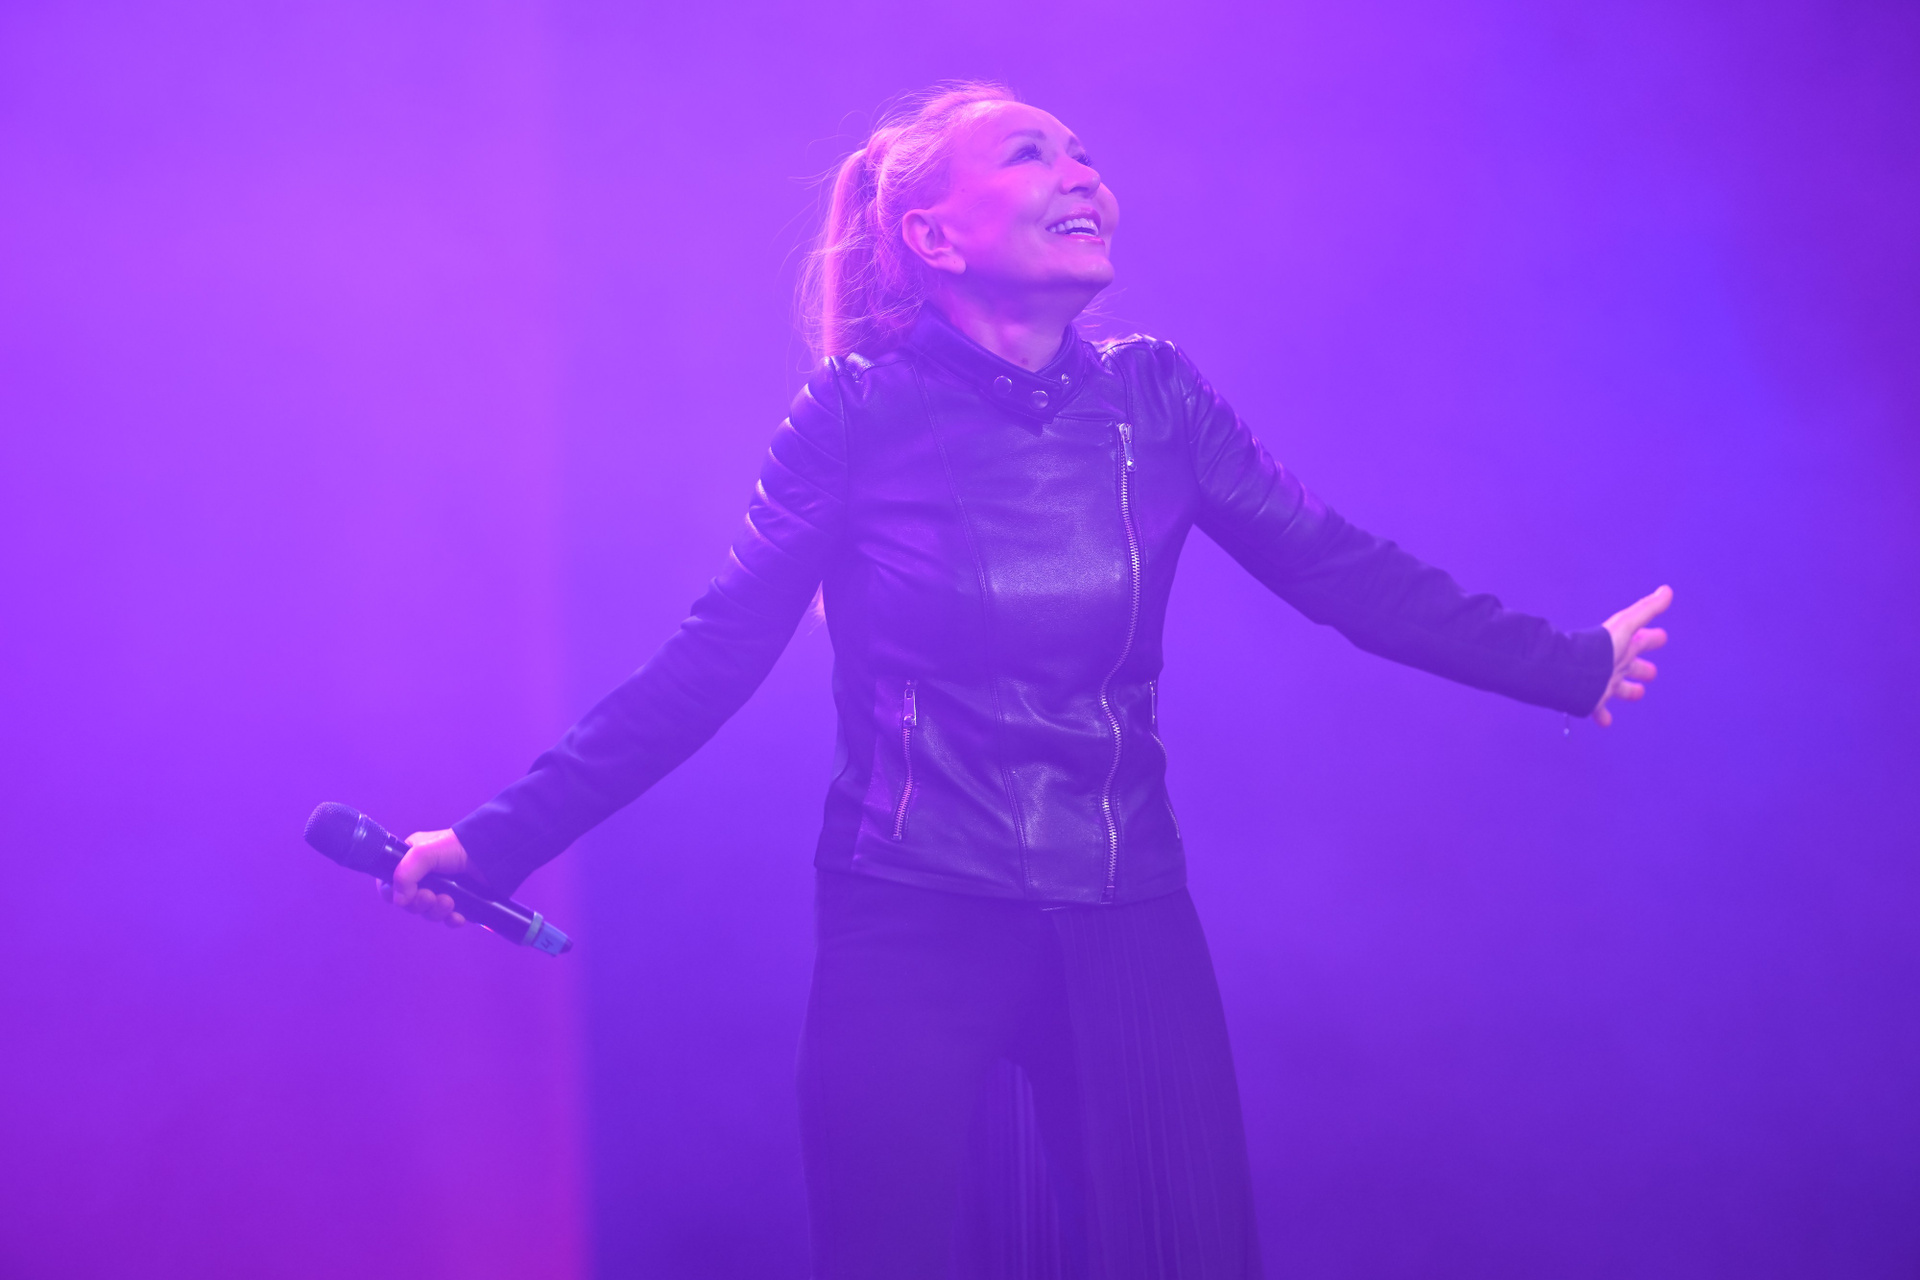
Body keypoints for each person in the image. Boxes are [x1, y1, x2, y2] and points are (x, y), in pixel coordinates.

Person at [386, 82, 1671, 1279]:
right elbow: (706, 660)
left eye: (1085, 155)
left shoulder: (1157, 398)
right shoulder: (855, 415)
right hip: (909, 921)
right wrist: (494, 837)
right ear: (933, 236)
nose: (1083, 174)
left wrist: (1565, 664)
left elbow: (1344, 570)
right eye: (1031, 153)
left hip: (1126, 918)